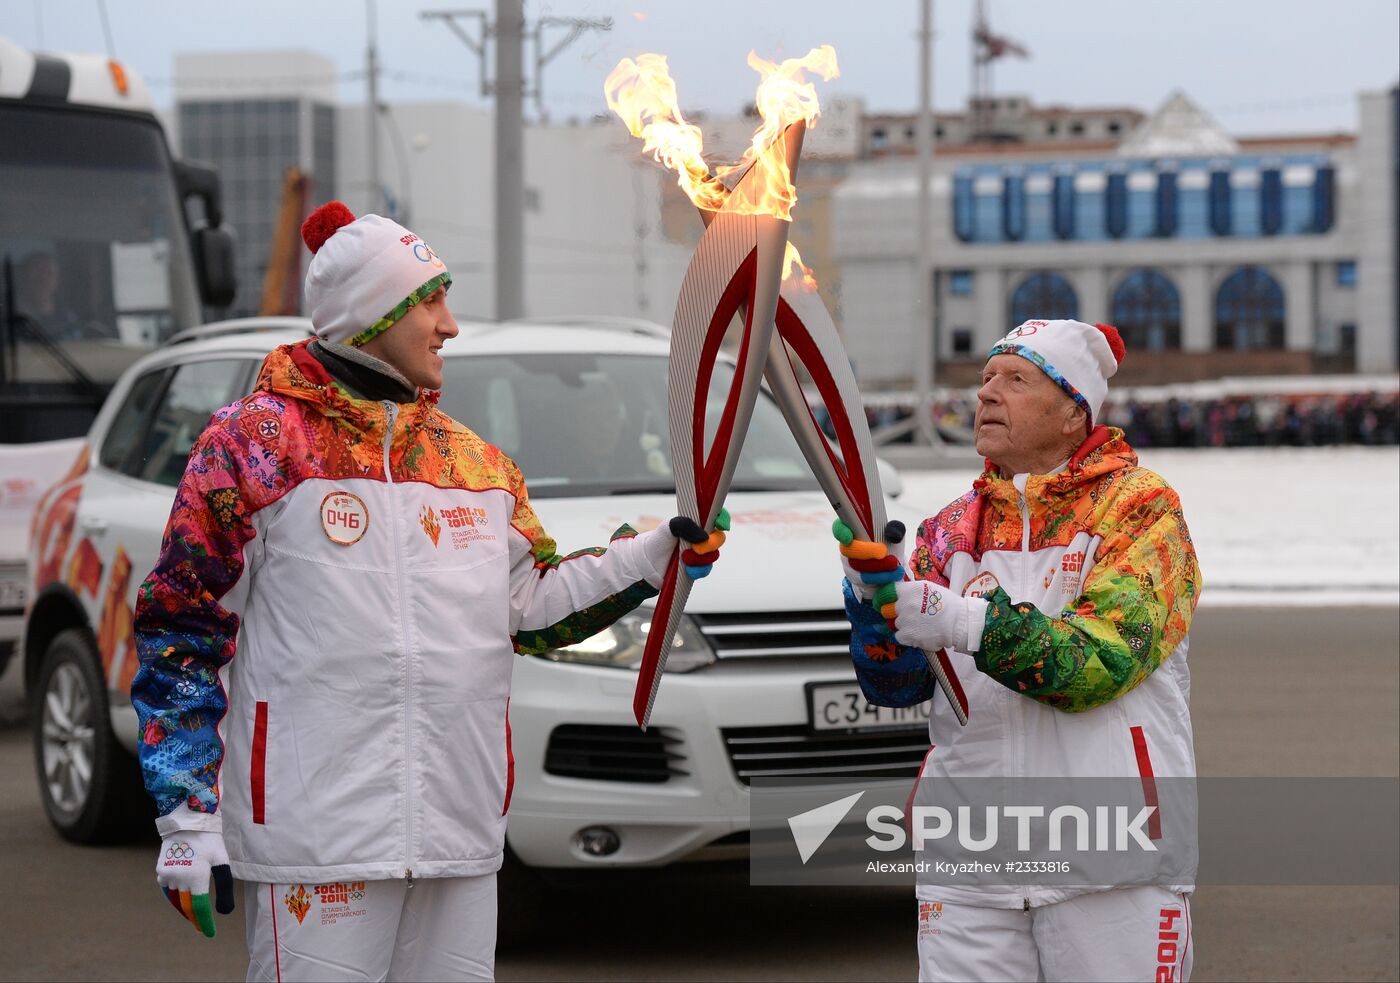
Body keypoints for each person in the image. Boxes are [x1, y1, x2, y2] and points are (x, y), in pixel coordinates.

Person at [131, 201, 727, 981]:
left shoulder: (474, 464)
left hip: (459, 835)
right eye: (431, 300)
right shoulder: (254, 446)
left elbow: (533, 605)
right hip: (317, 842)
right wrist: (186, 815)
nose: (450, 324)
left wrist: (654, 556)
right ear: (371, 316)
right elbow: (182, 626)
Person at [836, 318, 1202, 983]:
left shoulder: (1140, 512)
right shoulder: (949, 531)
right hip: (971, 861)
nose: (987, 394)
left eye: (1016, 379)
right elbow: (901, 685)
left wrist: (956, 617)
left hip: (1111, 857)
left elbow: (1096, 663)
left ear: (1073, 412)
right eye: (984, 380)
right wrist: (874, 610)